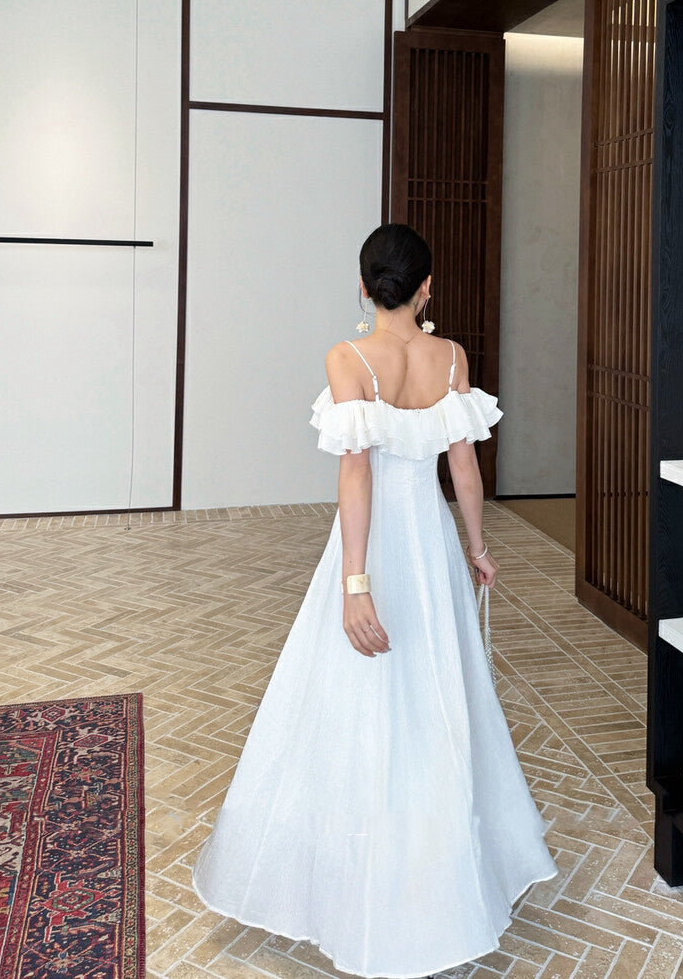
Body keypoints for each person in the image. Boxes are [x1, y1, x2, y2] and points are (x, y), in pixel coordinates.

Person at [192, 223, 557, 977]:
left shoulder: (348, 358)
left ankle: (358, 868)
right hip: (429, 543)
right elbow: (464, 469)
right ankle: (440, 868)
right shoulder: (450, 357)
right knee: (436, 689)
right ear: (427, 287)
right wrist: (477, 549)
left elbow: (355, 473)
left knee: (353, 691)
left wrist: (354, 582)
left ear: (364, 287)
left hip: (371, 545)